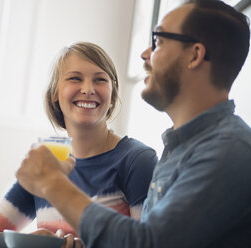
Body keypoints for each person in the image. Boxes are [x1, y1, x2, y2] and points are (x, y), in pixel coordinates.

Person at [16, 0, 251, 247]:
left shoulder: (229, 150)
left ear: (194, 56)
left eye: (158, 42)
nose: (145, 54)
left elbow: (149, 243)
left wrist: (52, 183)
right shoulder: (181, 148)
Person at [0, 42, 157, 244]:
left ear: (113, 94)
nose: (88, 89)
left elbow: (145, 243)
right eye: (75, 78)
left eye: (100, 80)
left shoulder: (137, 160)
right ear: (55, 92)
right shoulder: (48, 161)